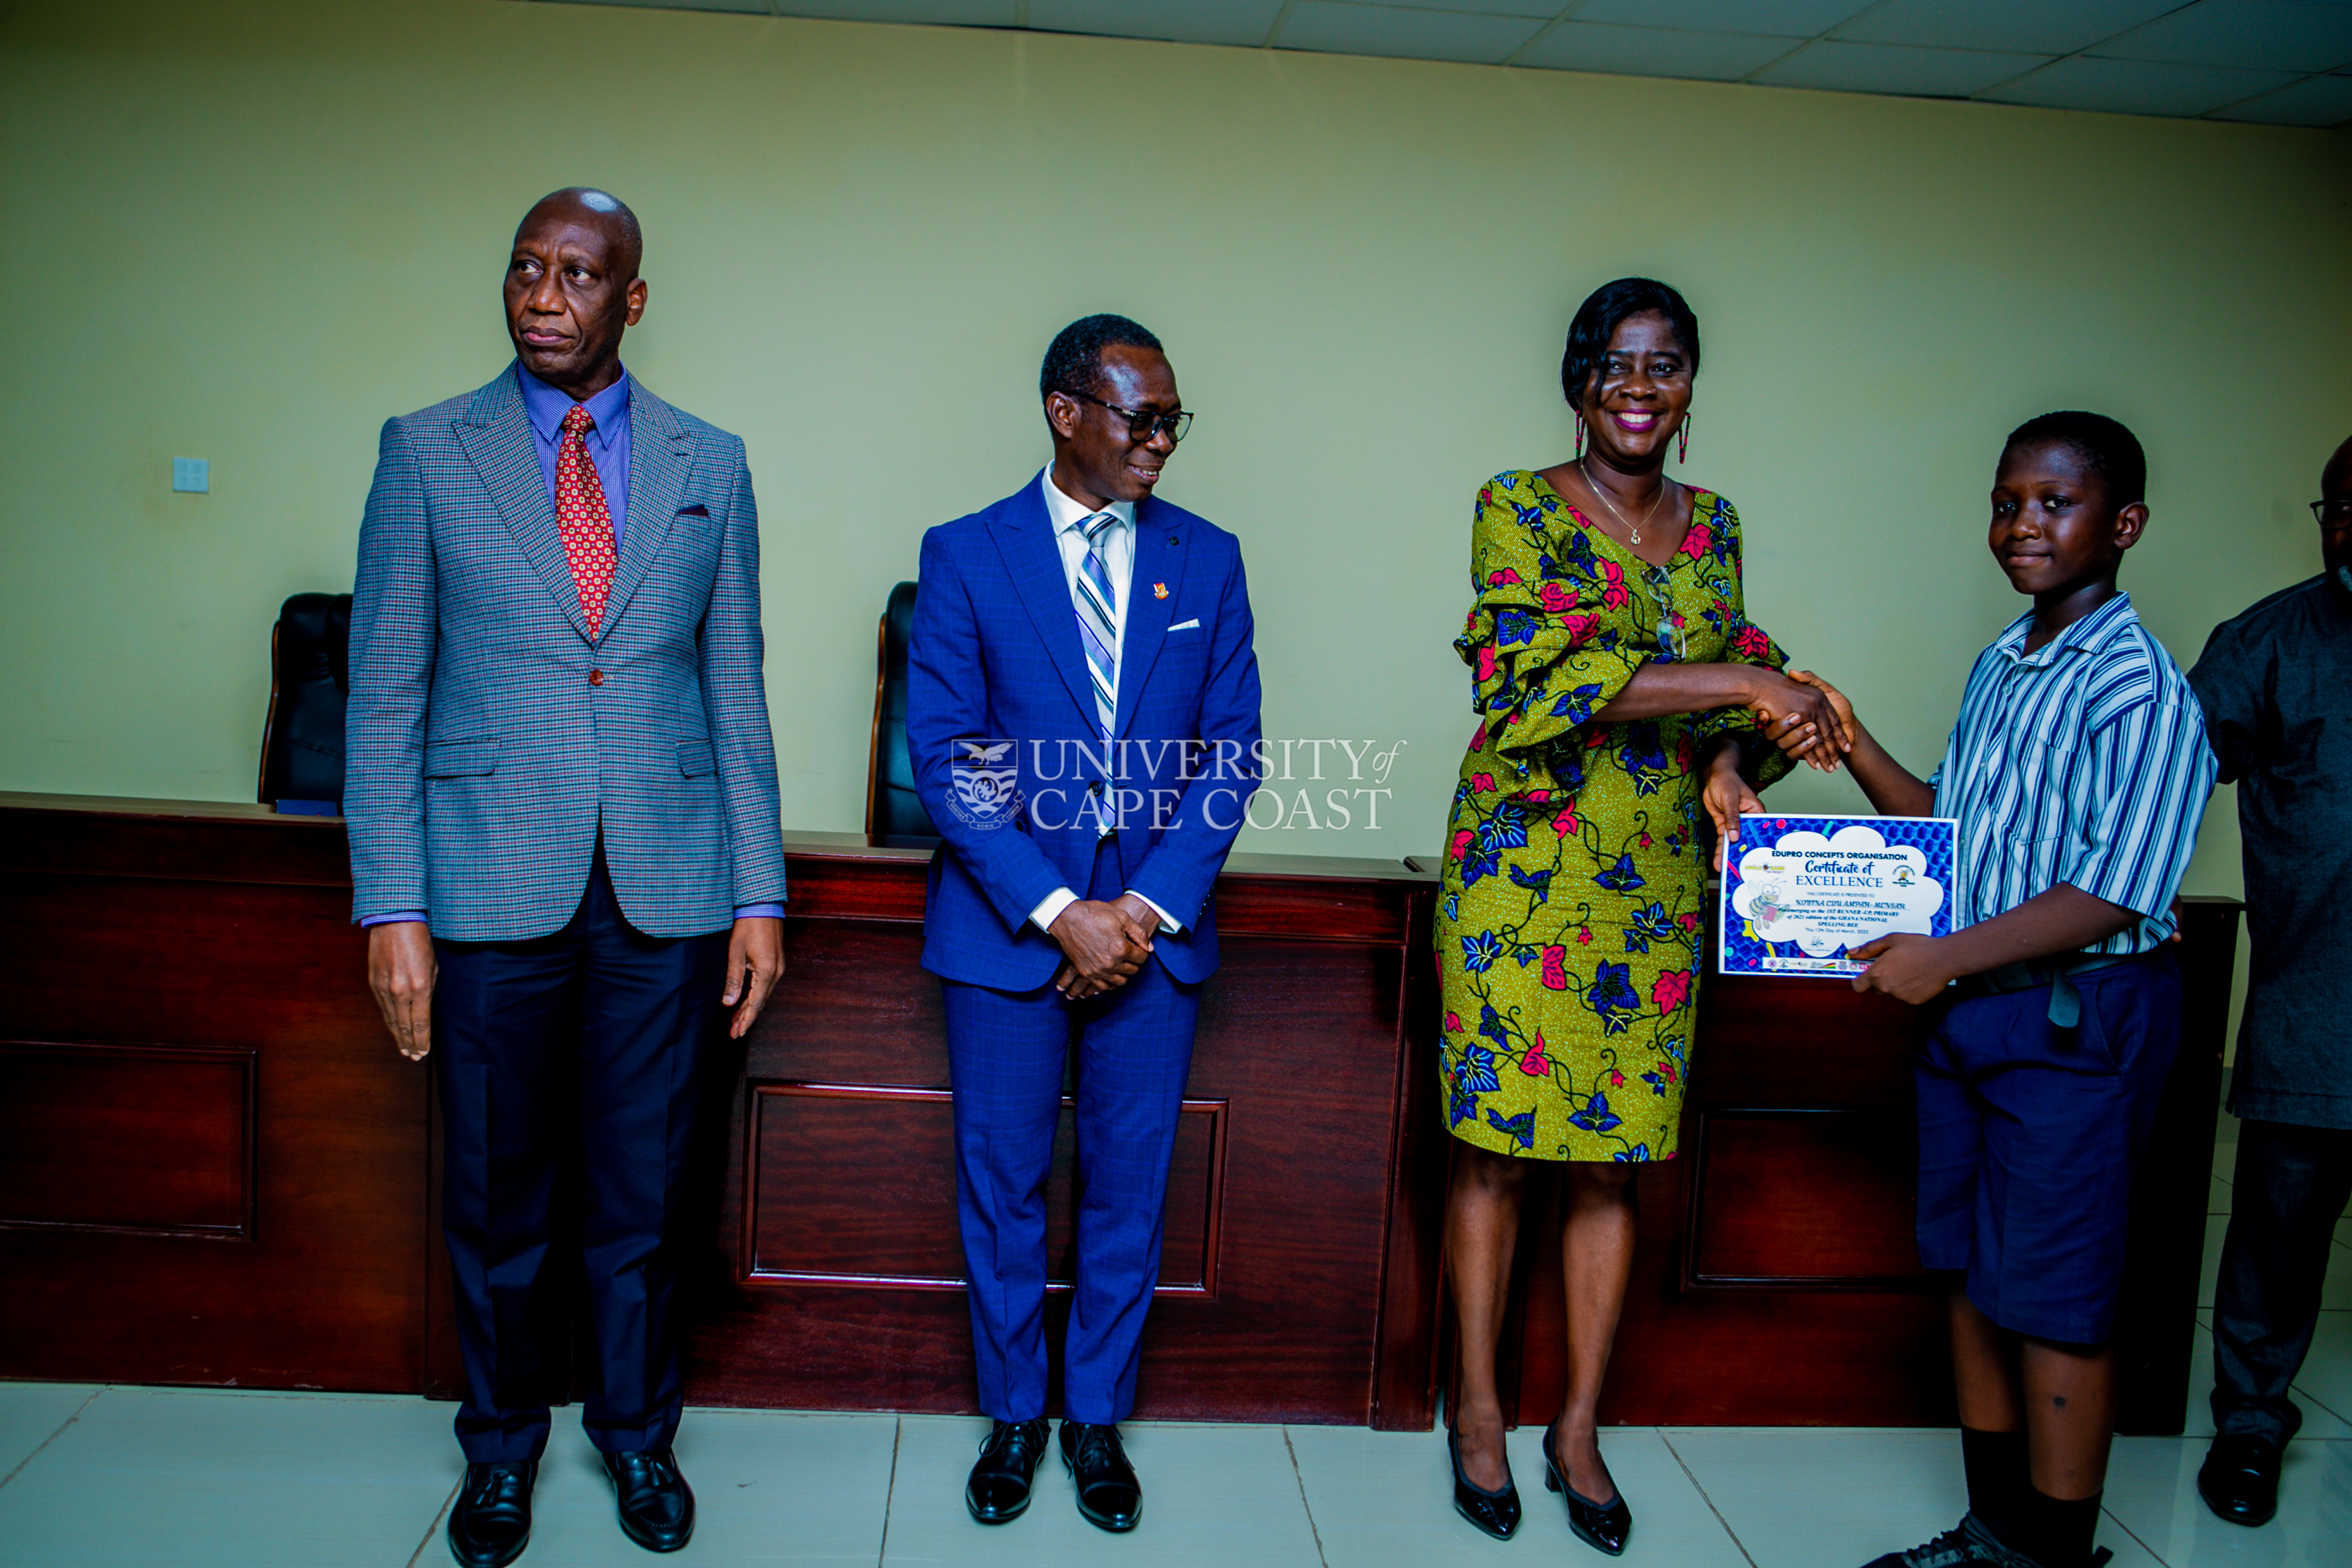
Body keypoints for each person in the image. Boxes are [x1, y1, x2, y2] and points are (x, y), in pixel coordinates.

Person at [345, 188, 787, 1567]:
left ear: (631, 300)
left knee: (645, 1193)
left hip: (668, 880)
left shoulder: (712, 460)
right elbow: (383, 697)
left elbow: (736, 691)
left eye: (580, 274)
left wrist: (761, 891)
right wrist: (390, 907)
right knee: (496, 1192)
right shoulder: (425, 452)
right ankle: (499, 1452)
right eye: (527, 268)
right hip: (484, 880)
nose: (544, 294)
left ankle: (639, 1437)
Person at [1436, 277, 1850, 1556]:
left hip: (1659, 883)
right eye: (1616, 362)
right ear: (1577, 378)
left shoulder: (1714, 524)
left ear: (1688, 388)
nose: (1638, 384)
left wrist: (1736, 758)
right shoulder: (1517, 506)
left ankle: (1578, 1427)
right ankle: (1483, 1414)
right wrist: (1739, 678)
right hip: (1521, 876)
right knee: (1497, 1150)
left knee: (1616, 1160)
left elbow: (1726, 708)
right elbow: (1530, 685)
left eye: (1664, 364)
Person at [1809, 412, 2213, 1568]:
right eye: (2008, 501)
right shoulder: (2007, 658)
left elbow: (2116, 889)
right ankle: (1993, 1535)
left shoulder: (2140, 688)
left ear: (2123, 524)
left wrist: (1939, 956)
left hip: (2074, 1020)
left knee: (2057, 1297)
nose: (2023, 524)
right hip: (1971, 1017)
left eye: (2055, 502)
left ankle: (2052, 1554)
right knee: (1977, 1279)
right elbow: (1953, 825)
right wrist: (1852, 740)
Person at [904, 314, 1262, 1534]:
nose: (1161, 440)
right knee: (1001, 1184)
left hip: (1153, 944)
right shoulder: (964, 553)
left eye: (1173, 420)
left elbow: (1232, 756)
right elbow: (948, 759)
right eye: (1139, 417)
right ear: (1067, 412)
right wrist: (1062, 913)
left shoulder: (1207, 561)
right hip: (1010, 935)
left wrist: (1143, 910)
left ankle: (1094, 1419)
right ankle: (1015, 1416)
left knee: (1128, 1185)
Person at [2187, 433, 2352, 1529]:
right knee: (2278, 1236)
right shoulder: (2272, 641)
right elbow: (2157, 780)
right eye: (2338, 506)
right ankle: (2251, 1423)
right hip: (2317, 1007)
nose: (2349, 529)